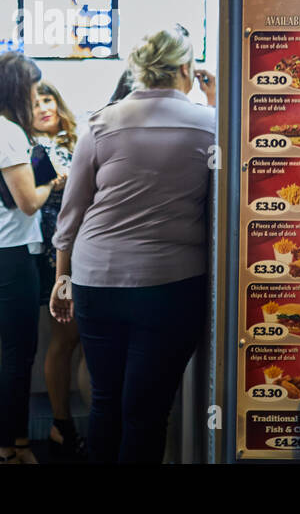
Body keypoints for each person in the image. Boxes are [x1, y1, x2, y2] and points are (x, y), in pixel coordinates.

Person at [50, 27, 217, 463]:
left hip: (96, 280)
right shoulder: (210, 124)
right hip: (170, 284)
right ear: (186, 69)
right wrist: (216, 99)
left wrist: (61, 278)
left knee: (105, 402)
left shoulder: (102, 122)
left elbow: (72, 211)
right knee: (146, 413)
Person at [0, 51, 57, 464]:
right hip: (9, 252)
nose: (38, 97)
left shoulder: (5, 128)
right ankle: (3, 450)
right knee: (18, 356)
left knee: (23, 352)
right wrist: (54, 182)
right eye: (34, 88)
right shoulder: (4, 133)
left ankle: (18, 443)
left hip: (17, 251)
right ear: (18, 88)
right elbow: (29, 203)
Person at [30, 80, 83, 458]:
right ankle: (61, 424)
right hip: (55, 254)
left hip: (92, 248)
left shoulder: (80, 140)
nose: (44, 107)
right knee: (64, 340)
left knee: (86, 343)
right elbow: (32, 194)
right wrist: (53, 182)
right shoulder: (29, 147)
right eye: (35, 103)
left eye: (48, 99)